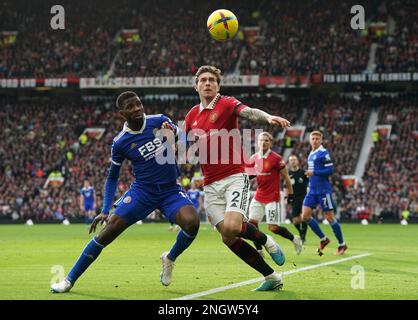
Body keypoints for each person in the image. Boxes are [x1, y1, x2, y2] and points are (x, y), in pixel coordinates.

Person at [51, 91, 200, 293]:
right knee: (107, 232)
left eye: (138, 104)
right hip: (143, 192)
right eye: (130, 107)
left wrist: (174, 134)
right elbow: (112, 176)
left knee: (192, 223)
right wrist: (105, 209)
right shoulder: (120, 142)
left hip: (170, 190)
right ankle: (69, 280)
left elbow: (185, 143)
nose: (137, 109)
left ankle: (170, 258)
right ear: (121, 113)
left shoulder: (159, 121)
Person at [184, 65, 291, 291]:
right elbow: (180, 140)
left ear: (218, 85)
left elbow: (250, 112)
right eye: (203, 80)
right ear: (196, 86)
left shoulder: (226, 103)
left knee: (233, 227)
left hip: (234, 176)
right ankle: (271, 277)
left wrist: (268, 117)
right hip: (210, 184)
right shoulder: (192, 115)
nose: (207, 83)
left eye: (212, 80)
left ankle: (265, 240)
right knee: (227, 237)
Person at [247, 132, 303, 255]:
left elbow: (286, 178)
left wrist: (291, 195)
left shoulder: (276, 158)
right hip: (258, 196)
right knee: (252, 224)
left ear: (271, 143)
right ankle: (260, 250)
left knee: (273, 228)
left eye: (266, 140)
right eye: (261, 140)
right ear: (257, 142)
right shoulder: (253, 158)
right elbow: (249, 176)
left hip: (272, 197)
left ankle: (295, 239)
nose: (263, 142)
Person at [301, 131, 348, 255]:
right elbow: (312, 172)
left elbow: (330, 170)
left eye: (317, 138)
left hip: (323, 190)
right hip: (312, 190)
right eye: (313, 138)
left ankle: (342, 244)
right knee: (305, 216)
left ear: (321, 140)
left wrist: (314, 173)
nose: (315, 140)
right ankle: (324, 239)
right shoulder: (311, 154)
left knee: (329, 217)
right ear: (310, 140)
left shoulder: (324, 153)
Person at [285, 155, 309, 243]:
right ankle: (301, 232)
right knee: (295, 220)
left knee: (304, 217)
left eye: (294, 160)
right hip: (294, 199)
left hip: (304, 198)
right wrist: (285, 197)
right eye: (291, 160)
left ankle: (303, 237)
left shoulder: (303, 172)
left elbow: (310, 183)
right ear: (289, 162)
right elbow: (286, 186)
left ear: (297, 161)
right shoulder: (288, 174)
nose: (293, 161)